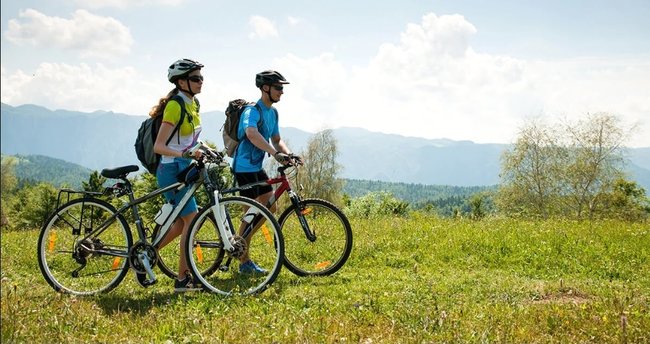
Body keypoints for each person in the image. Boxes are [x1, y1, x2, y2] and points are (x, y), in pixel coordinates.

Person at [144, 58, 205, 292]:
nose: (201, 82)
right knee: (192, 219)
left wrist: (204, 150)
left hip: (184, 168)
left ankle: (150, 253)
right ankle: (182, 279)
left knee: (181, 224)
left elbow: (191, 139)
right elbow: (159, 146)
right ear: (181, 82)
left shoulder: (193, 103)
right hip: (170, 170)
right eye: (195, 78)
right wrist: (187, 153)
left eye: (201, 78)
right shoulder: (175, 106)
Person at [232, 70, 302, 274]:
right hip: (244, 168)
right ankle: (243, 260)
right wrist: (274, 154)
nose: (282, 92)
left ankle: (240, 242)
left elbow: (277, 139)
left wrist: (289, 154)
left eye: (282, 88)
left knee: (269, 207)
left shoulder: (273, 113)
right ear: (265, 88)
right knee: (251, 213)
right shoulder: (252, 111)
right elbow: (251, 134)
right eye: (278, 88)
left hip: (256, 167)